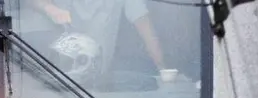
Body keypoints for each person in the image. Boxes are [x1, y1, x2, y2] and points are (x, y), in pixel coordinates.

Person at [32, 0, 172, 85]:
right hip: (60, 81)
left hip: (100, 80)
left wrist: (163, 69)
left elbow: (146, 29)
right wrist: (49, 8)